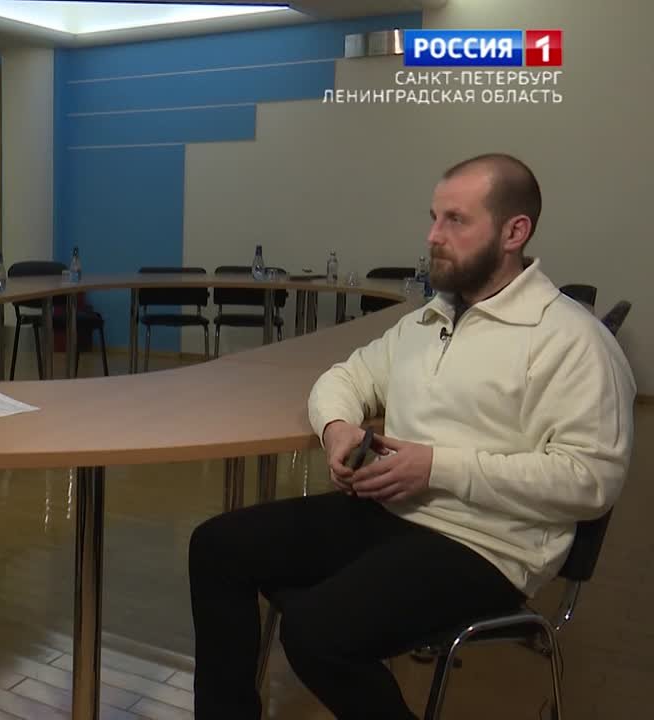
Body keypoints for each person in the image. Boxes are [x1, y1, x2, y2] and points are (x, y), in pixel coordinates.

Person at [187, 153, 635, 719]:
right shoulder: (427, 321)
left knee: (315, 632)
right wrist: (337, 428)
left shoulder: (572, 340)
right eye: (433, 217)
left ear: (514, 232)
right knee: (217, 547)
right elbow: (344, 378)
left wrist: (436, 468)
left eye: (456, 220)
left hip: (489, 546)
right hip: (392, 512)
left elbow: (591, 480)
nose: (432, 236)